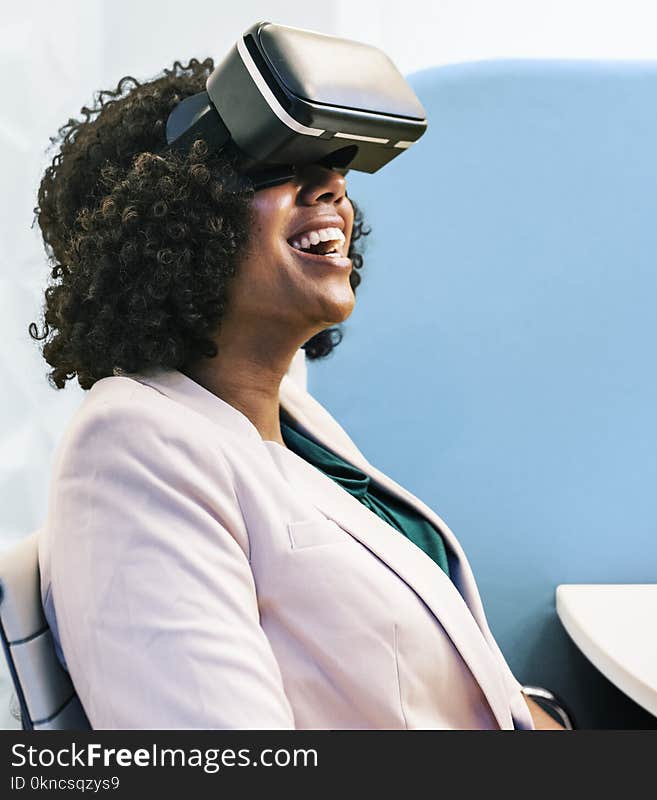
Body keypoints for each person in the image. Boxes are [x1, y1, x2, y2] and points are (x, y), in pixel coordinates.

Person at [31, 58, 562, 730]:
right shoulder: (131, 449)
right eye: (273, 163)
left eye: (330, 163)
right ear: (171, 225)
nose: (331, 185)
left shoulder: (294, 420)